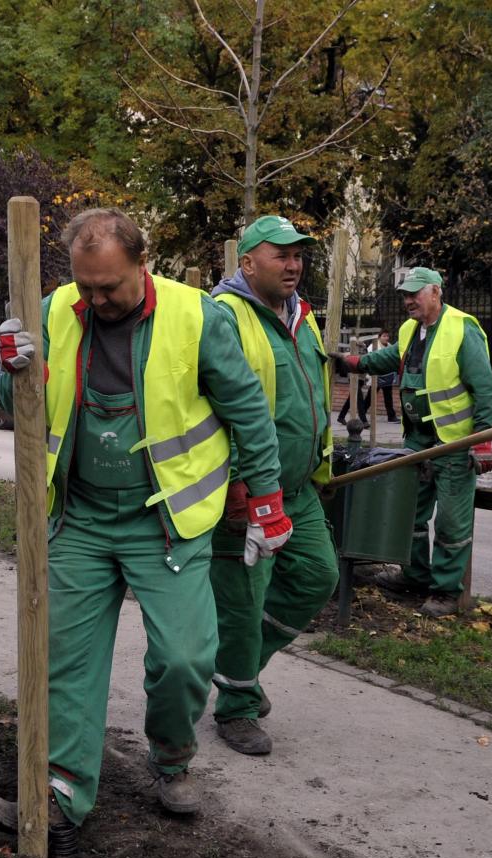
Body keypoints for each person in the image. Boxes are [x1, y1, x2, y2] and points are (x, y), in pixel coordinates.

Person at [0, 208, 285, 855]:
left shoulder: (197, 318)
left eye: (109, 288)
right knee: (64, 659)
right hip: (82, 520)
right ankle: (62, 794)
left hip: (166, 521)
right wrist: (12, 368)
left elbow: (250, 416)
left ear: (141, 263)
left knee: (184, 659)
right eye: (85, 287)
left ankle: (172, 758)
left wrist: (266, 500)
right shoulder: (54, 311)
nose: (95, 300)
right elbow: (12, 407)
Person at [207, 215, 341, 756]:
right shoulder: (222, 316)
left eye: (298, 255)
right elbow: (215, 407)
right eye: (280, 254)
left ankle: (235, 671)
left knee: (317, 575)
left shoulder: (301, 315)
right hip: (243, 490)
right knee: (244, 600)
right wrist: (239, 481)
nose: (293, 264)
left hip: (298, 487)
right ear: (246, 261)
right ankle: (236, 709)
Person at [333, 267, 492, 616]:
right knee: (412, 514)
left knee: (452, 523)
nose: (408, 300)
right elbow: (389, 358)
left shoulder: (461, 329)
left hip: (453, 444)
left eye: (415, 293)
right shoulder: (411, 330)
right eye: (405, 295)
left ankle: (446, 592)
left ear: (436, 292)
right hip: (418, 442)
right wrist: (355, 363)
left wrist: (482, 440)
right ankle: (415, 577)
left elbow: (486, 389)